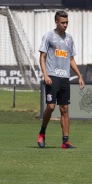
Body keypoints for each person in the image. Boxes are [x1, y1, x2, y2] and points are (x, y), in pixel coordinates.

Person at [37, 11, 85, 149]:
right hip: (52, 76)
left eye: (67, 23)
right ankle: (42, 133)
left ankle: (65, 141)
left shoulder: (69, 38)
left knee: (64, 109)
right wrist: (45, 75)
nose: (65, 25)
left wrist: (80, 76)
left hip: (65, 77)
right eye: (63, 23)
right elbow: (42, 57)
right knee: (51, 107)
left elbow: (71, 59)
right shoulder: (48, 36)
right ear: (56, 22)